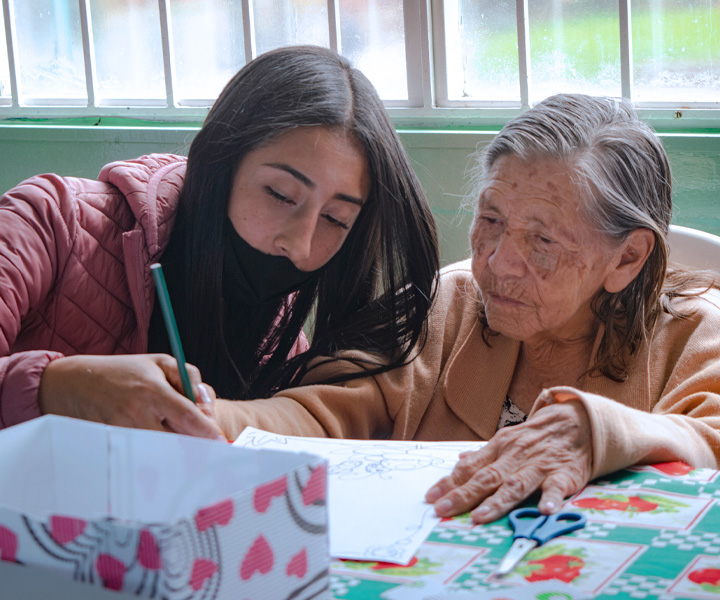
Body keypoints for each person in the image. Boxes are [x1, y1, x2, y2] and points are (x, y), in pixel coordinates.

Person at [214, 93, 720, 522]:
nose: (499, 263)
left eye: (542, 239)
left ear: (627, 258)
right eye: (492, 220)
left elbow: (710, 440)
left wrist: (601, 431)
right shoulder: (448, 305)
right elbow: (330, 409)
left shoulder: (695, 333)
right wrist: (213, 421)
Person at [0, 45, 438, 438]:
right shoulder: (48, 220)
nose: (301, 246)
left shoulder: (282, 342)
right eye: (280, 195)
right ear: (220, 162)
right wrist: (58, 388)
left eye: (335, 219)